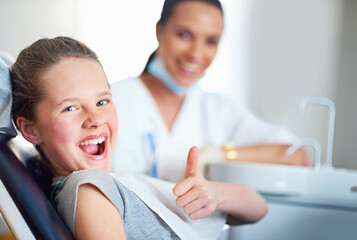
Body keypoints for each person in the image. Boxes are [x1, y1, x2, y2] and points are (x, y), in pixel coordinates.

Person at [9, 36, 268, 239]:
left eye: (102, 101)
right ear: (31, 130)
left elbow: (257, 208)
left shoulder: (107, 185)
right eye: (70, 108)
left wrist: (213, 193)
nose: (96, 119)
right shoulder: (89, 189)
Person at [111, 0, 312, 182]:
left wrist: (221, 155)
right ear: (159, 31)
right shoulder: (113, 99)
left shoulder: (220, 110)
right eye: (184, 35)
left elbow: (298, 155)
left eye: (210, 41)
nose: (196, 54)